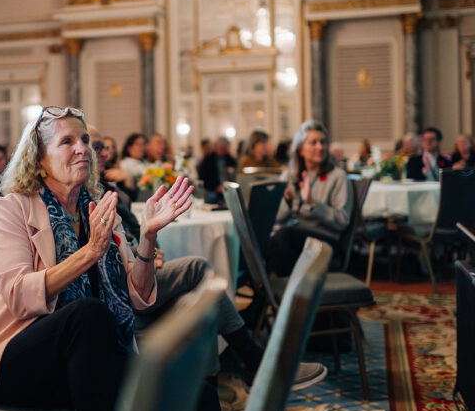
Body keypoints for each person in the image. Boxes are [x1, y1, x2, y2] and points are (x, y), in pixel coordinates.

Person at [0, 106, 222, 411]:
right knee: (88, 313)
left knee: (198, 395)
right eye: (67, 142)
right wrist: (89, 253)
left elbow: (139, 296)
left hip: (92, 358)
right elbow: (18, 295)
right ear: (39, 160)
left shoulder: (98, 210)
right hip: (20, 359)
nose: (83, 148)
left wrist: (147, 236)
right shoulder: (15, 208)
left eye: (84, 139)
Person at [87, 126, 326, 395]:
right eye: (93, 146)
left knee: (202, 301)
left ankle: (215, 404)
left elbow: (128, 236)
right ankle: (253, 359)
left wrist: (149, 248)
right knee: (199, 269)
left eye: (99, 145)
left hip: (140, 269)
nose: (101, 153)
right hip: (127, 286)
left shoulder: (100, 188)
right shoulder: (91, 196)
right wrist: (146, 249)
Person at [269, 120, 353, 277]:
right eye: (313, 143)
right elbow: (277, 219)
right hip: (295, 237)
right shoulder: (289, 176)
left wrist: (313, 204)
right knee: (258, 239)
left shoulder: (337, 176)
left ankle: (287, 292)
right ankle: (274, 290)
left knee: (283, 238)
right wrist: (287, 201)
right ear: (301, 149)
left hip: (325, 241)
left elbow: (342, 221)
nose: (320, 147)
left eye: (322, 142)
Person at [198, 137, 237, 203]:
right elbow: (203, 178)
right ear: (216, 147)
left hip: (228, 188)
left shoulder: (230, 160)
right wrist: (216, 188)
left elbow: (234, 176)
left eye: (224, 148)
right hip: (212, 189)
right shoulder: (208, 160)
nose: (223, 150)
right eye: (221, 148)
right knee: (212, 196)